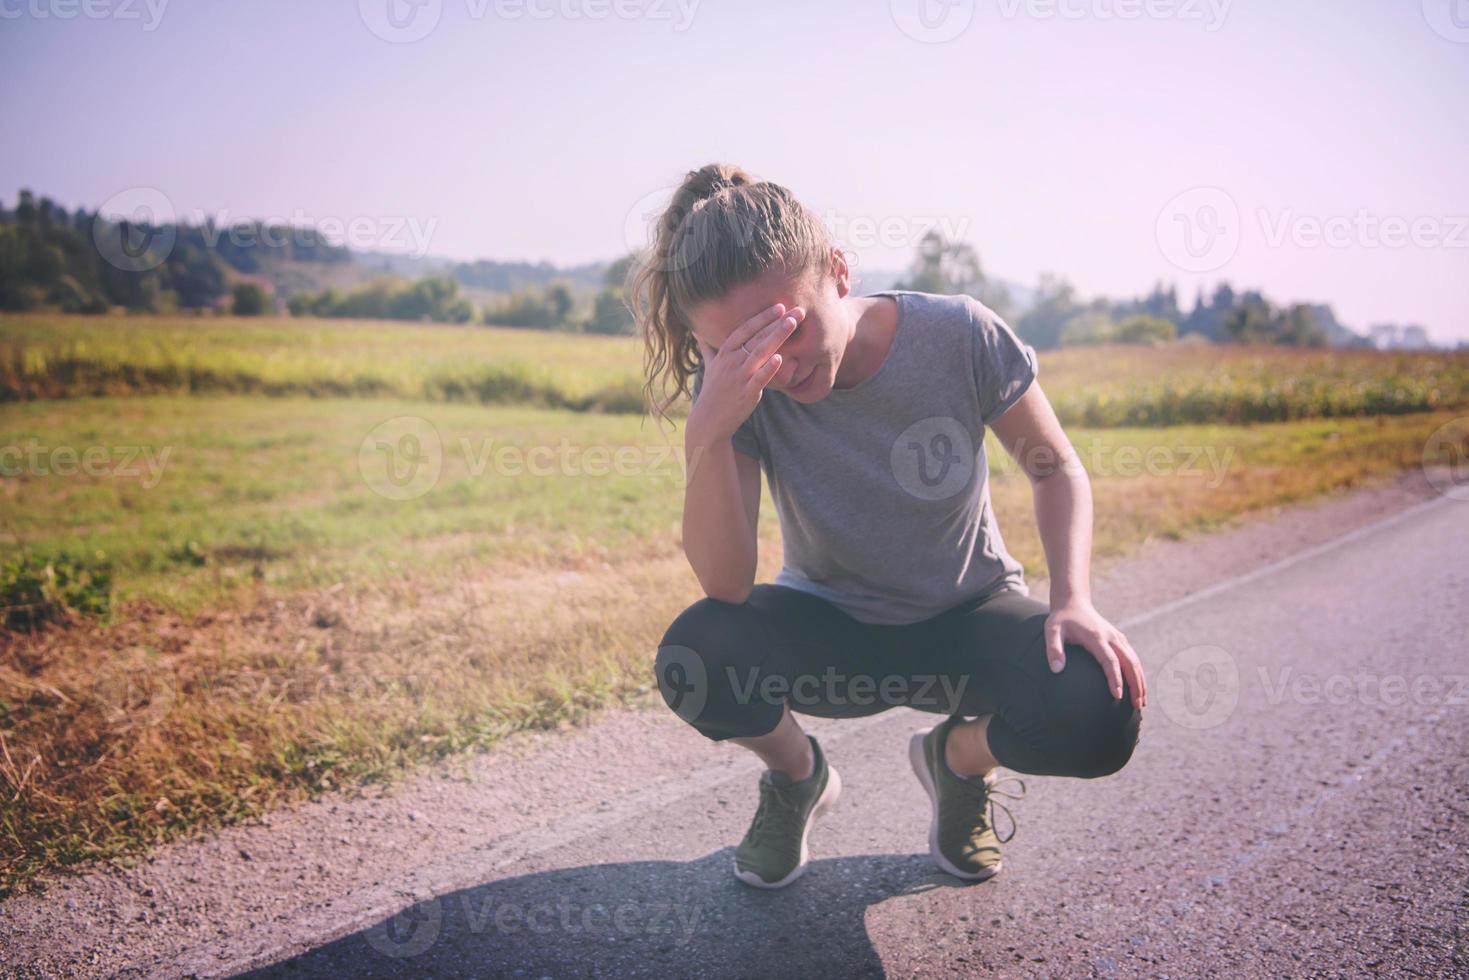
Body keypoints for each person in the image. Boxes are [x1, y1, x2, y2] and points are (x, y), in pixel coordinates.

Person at [630, 162, 1146, 890]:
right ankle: (797, 776)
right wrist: (708, 435)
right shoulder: (735, 398)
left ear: (838, 270)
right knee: (698, 651)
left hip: (966, 624)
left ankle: (957, 762)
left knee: (1098, 701)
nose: (775, 367)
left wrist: (1073, 600)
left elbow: (1054, 469)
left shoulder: (958, 333)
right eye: (739, 351)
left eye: (788, 328)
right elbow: (725, 581)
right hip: (831, 636)